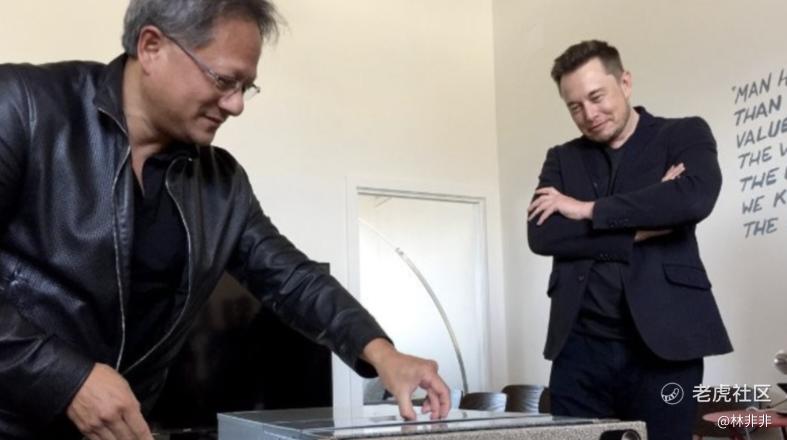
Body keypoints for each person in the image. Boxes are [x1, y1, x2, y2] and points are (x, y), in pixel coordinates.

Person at [0, 1, 451, 438]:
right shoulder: (21, 106)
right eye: (223, 80)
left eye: (246, 87)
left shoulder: (223, 183)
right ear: (152, 47)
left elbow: (293, 280)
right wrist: (68, 378)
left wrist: (384, 354)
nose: (236, 105)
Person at [526, 40, 732, 440]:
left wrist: (586, 209)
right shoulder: (561, 158)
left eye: (596, 97)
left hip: (665, 348)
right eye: (574, 106)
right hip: (579, 350)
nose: (589, 114)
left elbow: (692, 198)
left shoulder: (683, 133)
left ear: (625, 82)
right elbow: (543, 234)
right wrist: (642, 224)